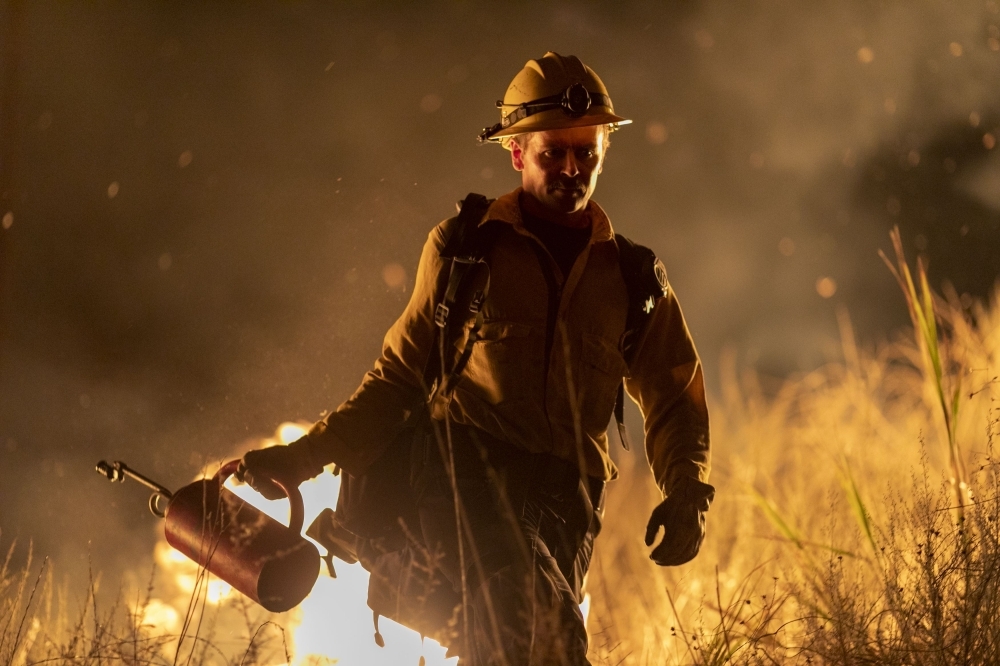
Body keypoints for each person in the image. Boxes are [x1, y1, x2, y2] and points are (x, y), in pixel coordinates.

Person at [238, 52, 714, 666]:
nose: (572, 169)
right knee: (538, 633)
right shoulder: (466, 251)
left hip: (567, 505)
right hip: (466, 476)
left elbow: (676, 395)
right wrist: (301, 459)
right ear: (517, 153)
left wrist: (686, 491)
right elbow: (399, 378)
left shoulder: (631, 276)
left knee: (524, 644)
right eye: (553, 153)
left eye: (587, 153)